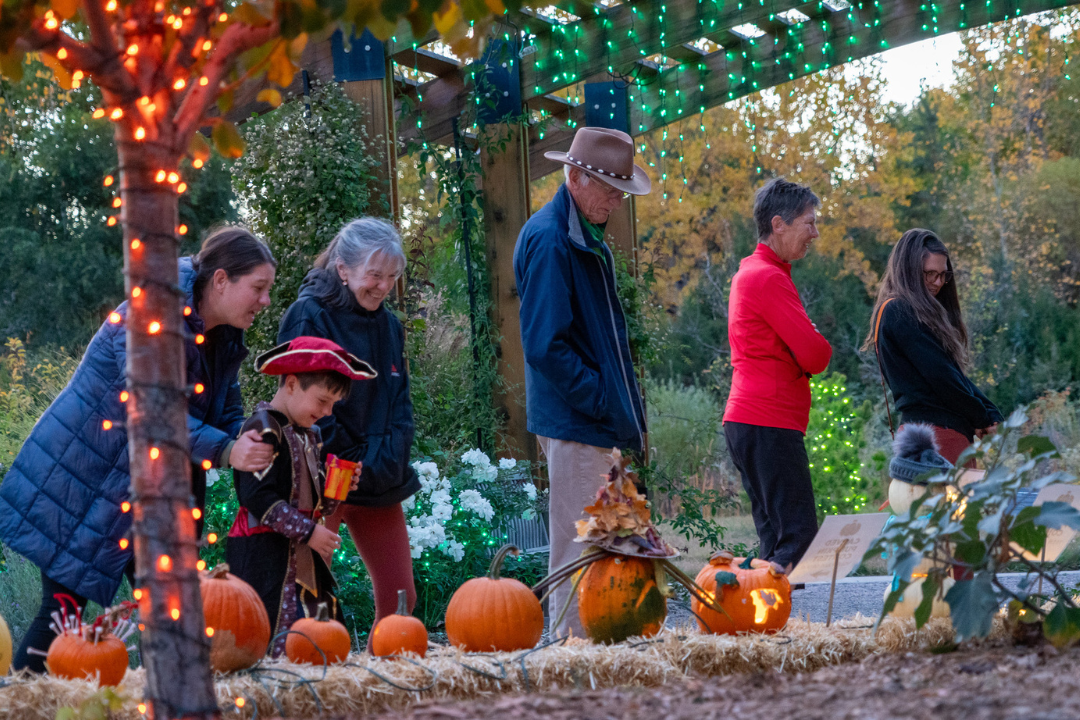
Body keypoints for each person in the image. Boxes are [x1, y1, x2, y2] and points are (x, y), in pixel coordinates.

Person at [0, 226, 278, 672]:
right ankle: (17, 706)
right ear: (222, 280)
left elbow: (224, 405)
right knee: (64, 616)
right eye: (259, 288)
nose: (264, 301)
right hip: (87, 482)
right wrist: (227, 451)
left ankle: (165, 701)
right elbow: (153, 416)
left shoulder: (223, 334)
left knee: (170, 615)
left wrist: (251, 434)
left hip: (153, 491)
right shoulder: (150, 316)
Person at [513, 126, 652, 636]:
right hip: (577, 420)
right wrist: (599, 399)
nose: (617, 200)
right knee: (579, 547)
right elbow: (545, 345)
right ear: (575, 177)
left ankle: (609, 642)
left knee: (612, 539)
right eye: (611, 189)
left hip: (594, 420)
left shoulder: (580, 232)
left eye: (620, 190)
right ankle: (571, 655)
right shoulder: (552, 239)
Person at [277, 217, 418, 645]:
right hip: (324, 475)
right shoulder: (308, 315)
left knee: (401, 598)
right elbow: (306, 405)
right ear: (343, 269)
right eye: (374, 275)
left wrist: (386, 458)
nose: (382, 287)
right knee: (308, 593)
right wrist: (348, 457)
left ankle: (386, 686)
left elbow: (400, 401)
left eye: (391, 278)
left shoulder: (390, 325)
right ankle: (309, 682)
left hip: (378, 476)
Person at [226, 336, 374, 656]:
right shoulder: (262, 429)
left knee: (320, 626)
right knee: (269, 628)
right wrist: (309, 532)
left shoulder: (310, 434)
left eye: (333, 405)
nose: (327, 411)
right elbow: (257, 497)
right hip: (263, 552)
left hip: (300, 553)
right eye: (322, 401)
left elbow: (315, 500)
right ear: (292, 383)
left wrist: (339, 485)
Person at [723, 178, 832, 573]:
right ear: (779, 223)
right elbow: (817, 355)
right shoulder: (768, 278)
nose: (815, 233)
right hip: (767, 420)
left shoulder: (754, 273)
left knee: (777, 539)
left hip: (750, 420)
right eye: (809, 222)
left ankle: (767, 624)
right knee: (797, 540)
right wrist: (810, 342)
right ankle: (788, 620)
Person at [866, 228, 1002, 464]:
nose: (938, 282)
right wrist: (982, 417)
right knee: (951, 501)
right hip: (937, 438)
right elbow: (943, 378)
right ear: (909, 271)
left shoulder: (909, 313)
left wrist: (989, 414)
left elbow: (952, 374)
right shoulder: (899, 311)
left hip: (936, 436)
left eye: (943, 275)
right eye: (929, 274)